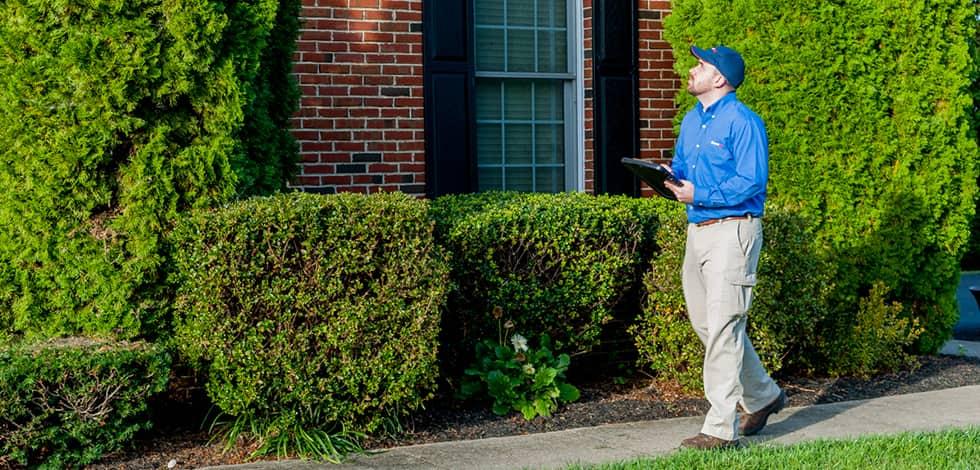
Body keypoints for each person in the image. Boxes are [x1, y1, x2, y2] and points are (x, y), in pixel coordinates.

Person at [664, 45, 787, 450]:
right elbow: (683, 167)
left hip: (734, 232)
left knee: (723, 326)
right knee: (708, 324)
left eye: (700, 65)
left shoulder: (743, 121)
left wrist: (700, 192)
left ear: (720, 78)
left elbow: (752, 181)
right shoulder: (690, 122)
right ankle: (764, 396)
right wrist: (666, 176)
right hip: (697, 230)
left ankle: (719, 429)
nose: (692, 69)